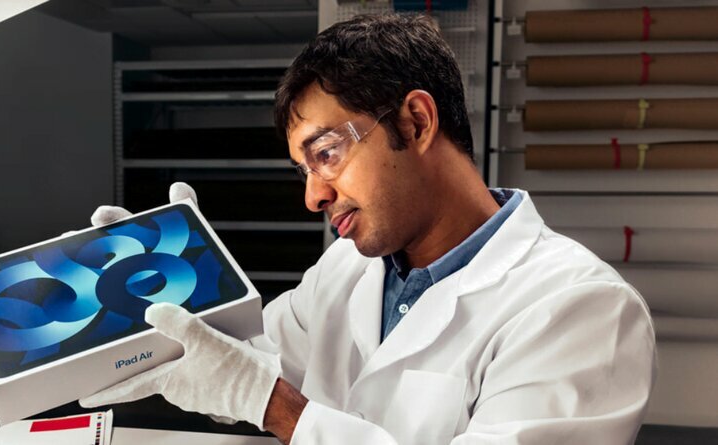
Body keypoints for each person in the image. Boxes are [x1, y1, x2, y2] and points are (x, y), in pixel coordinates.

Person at [81, 13, 656, 445]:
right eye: (304, 170)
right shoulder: (347, 268)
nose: (313, 195)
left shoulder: (583, 308)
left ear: (417, 121)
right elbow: (249, 364)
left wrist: (276, 408)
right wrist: (173, 288)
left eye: (327, 153)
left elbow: (263, 394)